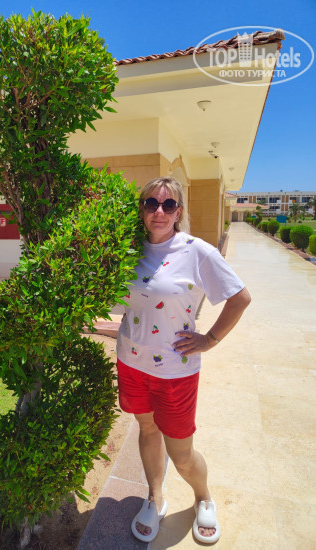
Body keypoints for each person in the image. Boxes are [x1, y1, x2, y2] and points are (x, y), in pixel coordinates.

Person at [116, 176, 251, 544]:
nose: (159, 211)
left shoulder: (196, 251)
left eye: (168, 204)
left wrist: (210, 339)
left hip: (175, 372)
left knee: (182, 454)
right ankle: (155, 497)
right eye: (151, 203)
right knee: (147, 430)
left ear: (179, 212)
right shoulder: (128, 250)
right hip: (132, 362)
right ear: (142, 210)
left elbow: (240, 298)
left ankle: (203, 498)